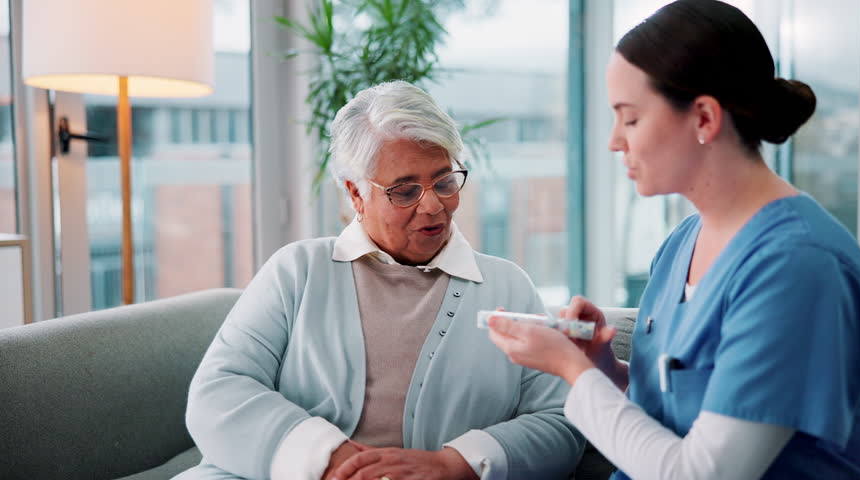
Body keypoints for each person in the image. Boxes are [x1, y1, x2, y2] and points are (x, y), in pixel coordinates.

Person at [486, 1, 860, 479]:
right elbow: (679, 413)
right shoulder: (683, 243)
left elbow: (703, 472)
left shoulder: (799, 267)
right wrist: (599, 367)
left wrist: (573, 373)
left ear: (703, 118)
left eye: (630, 118)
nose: (615, 141)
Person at [174, 80, 584, 480]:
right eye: (405, 191)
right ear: (355, 193)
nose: (432, 206)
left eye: (444, 181)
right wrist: (331, 461)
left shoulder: (505, 286)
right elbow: (217, 394)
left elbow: (560, 422)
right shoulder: (297, 272)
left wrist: (453, 465)